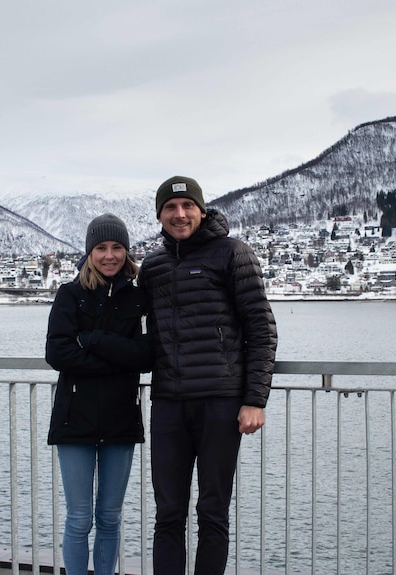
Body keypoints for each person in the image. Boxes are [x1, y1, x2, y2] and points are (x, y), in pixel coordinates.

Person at [138, 176, 278, 574]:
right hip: (168, 403)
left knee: (212, 510)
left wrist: (254, 400)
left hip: (220, 401)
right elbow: (141, 330)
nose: (179, 214)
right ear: (160, 215)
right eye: (170, 208)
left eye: (187, 206)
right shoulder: (154, 266)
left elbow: (261, 330)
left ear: (201, 209)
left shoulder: (233, 254)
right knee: (168, 513)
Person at [45, 213, 153, 575]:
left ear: (127, 251)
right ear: (89, 252)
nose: (110, 256)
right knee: (79, 517)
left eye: (117, 247)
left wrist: (92, 340)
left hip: (121, 418)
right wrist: (119, 358)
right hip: (74, 419)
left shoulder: (139, 298)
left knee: (110, 516)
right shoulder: (70, 295)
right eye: (102, 248)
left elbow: (147, 355)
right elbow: (58, 354)